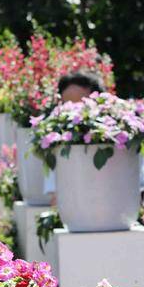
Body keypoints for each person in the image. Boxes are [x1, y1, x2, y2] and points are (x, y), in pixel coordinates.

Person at [44, 71, 107, 202]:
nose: (74, 114)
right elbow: (54, 198)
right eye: (68, 106)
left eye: (81, 106)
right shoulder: (55, 141)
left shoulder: (117, 139)